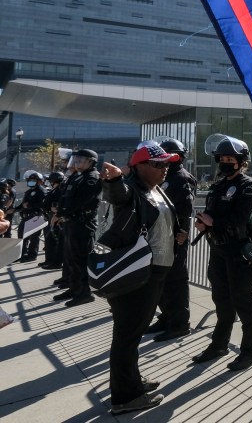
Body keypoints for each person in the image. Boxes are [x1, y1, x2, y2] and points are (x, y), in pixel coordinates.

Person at [99, 142, 179, 414]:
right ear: (139, 167)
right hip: (137, 273)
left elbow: (161, 220)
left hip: (154, 271)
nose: (164, 169)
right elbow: (118, 195)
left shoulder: (154, 189)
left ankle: (132, 382)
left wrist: (176, 235)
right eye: (158, 164)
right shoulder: (131, 187)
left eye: (167, 164)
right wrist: (114, 180)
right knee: (127, 335)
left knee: (132, 334)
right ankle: (125, 397)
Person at [192, 136, 252, 370]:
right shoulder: (218, 185)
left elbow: (241, 217)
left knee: (244, 301)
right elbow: (212, 214)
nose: (224, 162)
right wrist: (203, 222)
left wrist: (215, 221)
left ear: (241, 161)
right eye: (221, 159)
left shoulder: (247, 185)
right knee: (222, 301)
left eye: (230, 159)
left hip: (239, 252)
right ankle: (219, 344)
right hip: (219, 250)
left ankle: (250, 350)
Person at [144, 138, 196, 342]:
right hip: (159, 236)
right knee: (161, 281)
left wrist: (182, 231)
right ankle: (166, 317)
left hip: (175, 238)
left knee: (175, 282)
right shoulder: (160, 177)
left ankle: (180, 323)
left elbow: (185, 209)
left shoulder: (181, 178)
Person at [54, 149, 103, 308]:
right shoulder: (77, 176)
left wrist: (61, 213)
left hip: (83, 223)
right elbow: (65, 197)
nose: (77, 163)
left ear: (91, 162)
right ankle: (74, 288)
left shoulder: (91, 178)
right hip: (71, 222)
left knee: (80, 258)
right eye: (76, 160)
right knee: (70, 257)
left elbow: (80, 201)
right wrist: (61, 212)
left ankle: (84, 292)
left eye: (81, 160)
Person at [15, 171, 47, 262]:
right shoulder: (28, 191)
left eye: (33, 180)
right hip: (26, 216)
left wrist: (29, 206)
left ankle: (32, 255)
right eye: (30, 180)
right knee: (22, 235)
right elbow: (23, 204)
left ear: (39, 181)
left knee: (34, 237)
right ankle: (21, 254)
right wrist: (14, 209)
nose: (31, 181)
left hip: (36, 216)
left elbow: (42, 204)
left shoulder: (42, 191)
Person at [40, 171, 66, 270]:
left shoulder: (60, 189)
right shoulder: (54, 190)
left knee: (56, 241)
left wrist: (57, 212)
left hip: (58, 218)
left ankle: (56, 262)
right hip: (52, 217)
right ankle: (50, 260)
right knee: (50, 240)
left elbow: (61, 203)